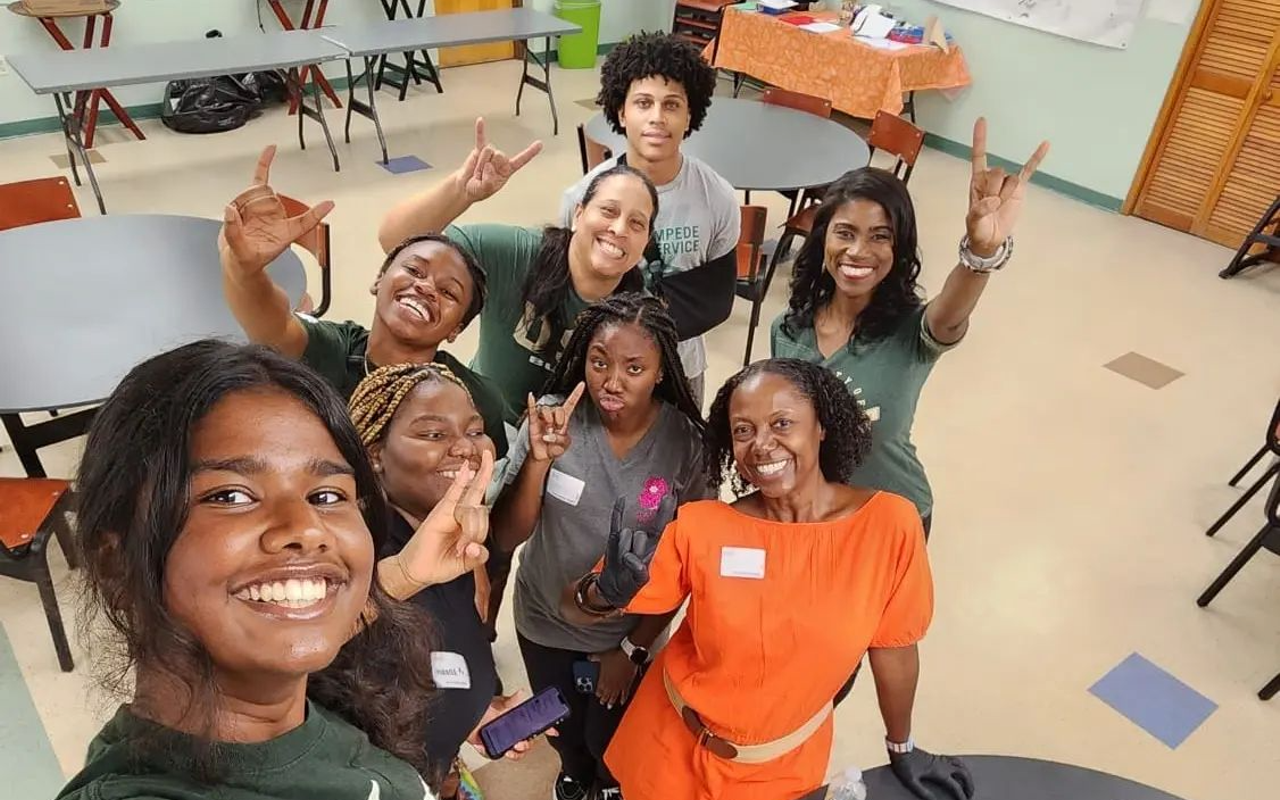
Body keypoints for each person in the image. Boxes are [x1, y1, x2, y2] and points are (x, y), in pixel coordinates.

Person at [58, 340, 495, 800]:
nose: (308, 529)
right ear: (116, 562)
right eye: (231, 495)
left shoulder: (296, 705)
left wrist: (407, 572)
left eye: (327, 495)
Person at [564, 359, 973, 800]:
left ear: (822, 426)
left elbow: (894, 648)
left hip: (781, 770)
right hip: (668, 743)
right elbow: (573, 608)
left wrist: (901, 745)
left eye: (782, 423)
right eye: (743, 430)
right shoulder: (703, 526)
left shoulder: (889, 525)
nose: (761, 445)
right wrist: (601, 592)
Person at [772, 119, 1050, 533]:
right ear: (823, 239)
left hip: (892, 520)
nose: (858, 251)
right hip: (813, 517)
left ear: (899, 247)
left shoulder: (912, 331)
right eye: (845, 233)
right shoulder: (788, 331)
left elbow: (950, 316)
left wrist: (980, 252)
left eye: (880, 237)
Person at [491, 294, 711, 800]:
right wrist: (539, 462)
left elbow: (690, 563)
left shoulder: (684, 445)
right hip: (544, 618)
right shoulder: (552, 420)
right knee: (566, 728)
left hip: (628, 632)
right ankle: (573, 776)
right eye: (599, 362)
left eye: (635, 368)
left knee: (611, 738)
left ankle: (609, 784)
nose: (612, 381)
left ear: (660, 372)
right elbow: (507, 535)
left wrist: (632, 648)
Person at [218, 144, 509, 457]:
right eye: (413, 270)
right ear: (379, 280)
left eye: (448, 292)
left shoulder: (474, 399)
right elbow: (270, 324)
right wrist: (245, 269)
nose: (425, 288)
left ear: (457, 328)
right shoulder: (333, 352)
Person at [378, 119, 665, 423]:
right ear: (578, 214)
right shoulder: (517, 254)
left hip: (564, 450)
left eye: (636, 223)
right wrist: (462, 190)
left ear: (645, 242)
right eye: (608, 211)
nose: (619, 229)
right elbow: (395, 241)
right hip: (476, 425)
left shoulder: (637, 317)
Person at [350, 363, 546, 799]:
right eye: (433, 434)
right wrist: (402, 576)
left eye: (475, 431)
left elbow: (430, 673)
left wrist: (476, 713)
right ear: (373, 454)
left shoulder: (449, 544)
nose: (465, 448)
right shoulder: (351, 559)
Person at [560, 32, 739, 404]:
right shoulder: (583, 199)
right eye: (643, 103)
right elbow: (569, 291)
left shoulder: (717, 196)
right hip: (603, 373)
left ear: (691, 115)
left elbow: (716, 297)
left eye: (672, 105)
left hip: (682, 369)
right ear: (621, 112)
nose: (657, 118)